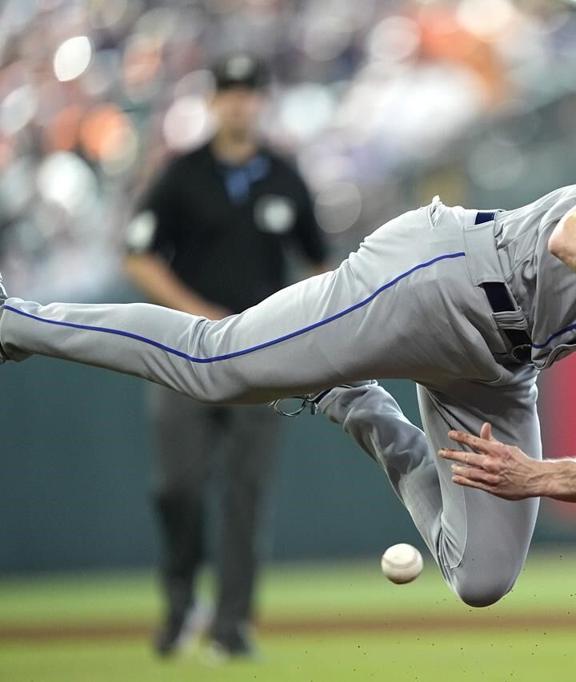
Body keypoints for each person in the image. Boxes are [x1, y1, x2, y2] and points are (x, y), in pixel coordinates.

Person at [0, 138, 576, 608]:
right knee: (217, 365)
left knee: (480, 580)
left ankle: (364, 412)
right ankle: (17, 318)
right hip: (447, 278)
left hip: (504, 368)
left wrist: (539, 477)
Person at [121, 53, 330, 657]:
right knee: (177, 486)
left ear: (261, 100)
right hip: (182, 352)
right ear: (213, 102)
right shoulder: (182, 173)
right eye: (229, 92)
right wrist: (198, 312)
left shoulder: (285, 177)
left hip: (261, 358)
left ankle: (232, 624)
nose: (239, 102)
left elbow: (322, 266)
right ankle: (182, 603)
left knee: (246, 493)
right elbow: (137, 256)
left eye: (249, 91)